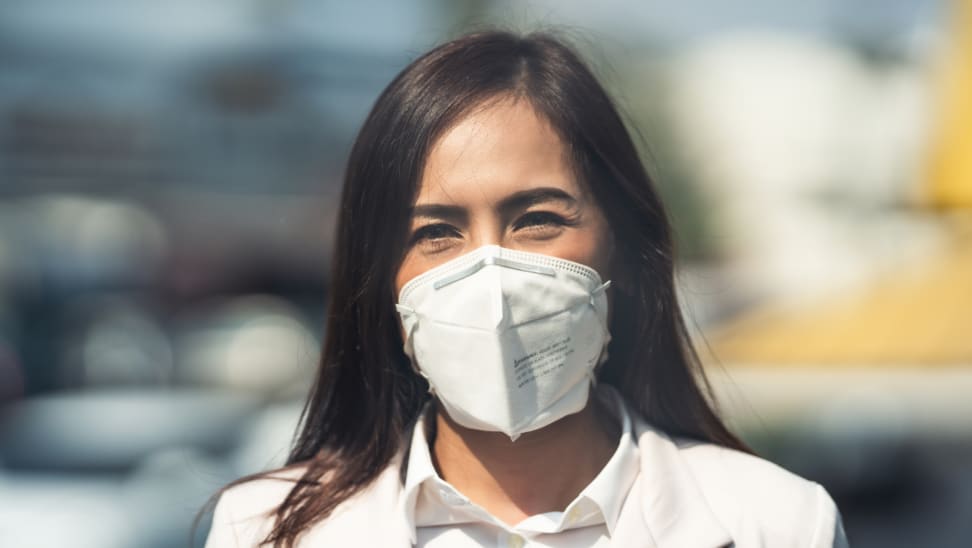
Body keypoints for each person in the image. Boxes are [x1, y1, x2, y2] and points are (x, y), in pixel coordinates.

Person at [203, 31, 849, 547]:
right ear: (386, 288)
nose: (493, 280)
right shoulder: (262, 531)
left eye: (537, 220)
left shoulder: (782, 524)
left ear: (620, 250)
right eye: (437, 233)